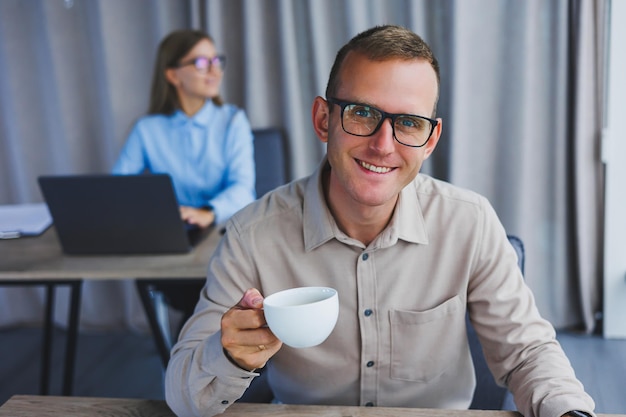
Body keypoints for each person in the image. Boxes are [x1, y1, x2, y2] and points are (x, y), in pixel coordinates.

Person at [165, 25, 595, 417]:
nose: (383, 145)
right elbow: (183, 395)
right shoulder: (252, 234)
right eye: (361, 114)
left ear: (430, 140)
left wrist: (569, 412)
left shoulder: (471, 222)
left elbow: (528, 354)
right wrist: (231, 356)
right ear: (323, 119)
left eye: (408, 123)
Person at [113, 29, 256, 228]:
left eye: (215, 61)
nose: (215, 71)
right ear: (173, 75)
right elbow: (117, 190)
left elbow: (243, 190)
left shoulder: (233, 121)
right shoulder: (146, 129)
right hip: (171, 230)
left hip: (223, 227)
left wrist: (207, 213)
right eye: (202, 63)